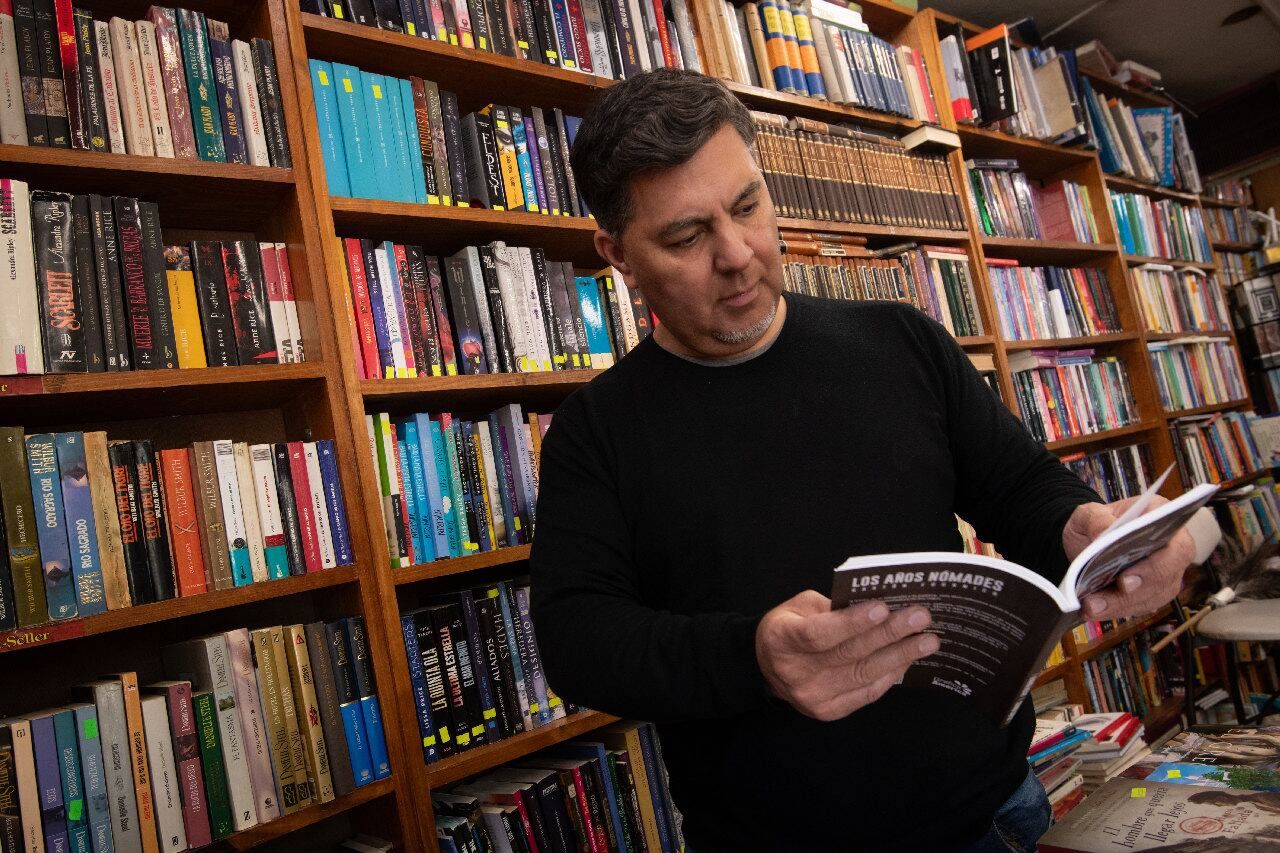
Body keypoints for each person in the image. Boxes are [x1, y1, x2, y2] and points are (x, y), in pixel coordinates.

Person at [528, 69, 1195, 851]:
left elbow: (1020, 486)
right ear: (619, 255)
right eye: (685, 236)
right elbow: (578, 640)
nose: (738, 254)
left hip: (995, 810)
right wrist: (755, 658)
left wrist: (1089, 528)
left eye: (748, 205)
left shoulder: (899, 339)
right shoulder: (593, 433)